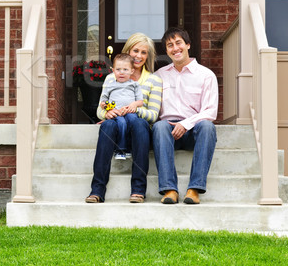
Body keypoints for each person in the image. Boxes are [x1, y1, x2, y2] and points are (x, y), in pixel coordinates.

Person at [85, 33, 163, 203]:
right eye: (136, 50)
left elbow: (154, 115)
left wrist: (134, 109)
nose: (139, 56)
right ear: (128, 50)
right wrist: (108, 113)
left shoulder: (154, 80)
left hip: (139, 132)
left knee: (140, 124)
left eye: (144, 52)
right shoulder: (111, 78)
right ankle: (97, 190)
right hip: (116, 127)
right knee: (107, 126)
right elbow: (101, 108)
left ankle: (138, 190)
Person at [152, 27, 218, 205]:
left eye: (178, 43)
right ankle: (170, 189)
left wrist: (186, 124)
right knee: (159, 126)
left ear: (188, 45)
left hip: (193, 131)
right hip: (166, 132)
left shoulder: (206, 75)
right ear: (166, 51)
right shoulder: (159, 76)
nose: (175, 48)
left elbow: (210, 111)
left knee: (207, 126)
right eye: (170, 45)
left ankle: (194, 189)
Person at [97, 53, 144, 160]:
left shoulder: (134, 84)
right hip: (117, 113)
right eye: (118, 69)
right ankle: (121, 149)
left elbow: (140, 101)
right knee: (121, 123)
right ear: (113, 70)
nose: (121, 72)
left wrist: (134, 104)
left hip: (130, 112)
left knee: (134, 121)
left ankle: (131, 147)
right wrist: (108, 108)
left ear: (132, 71)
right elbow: (103, 102)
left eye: (125, 69)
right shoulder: (110, 85)